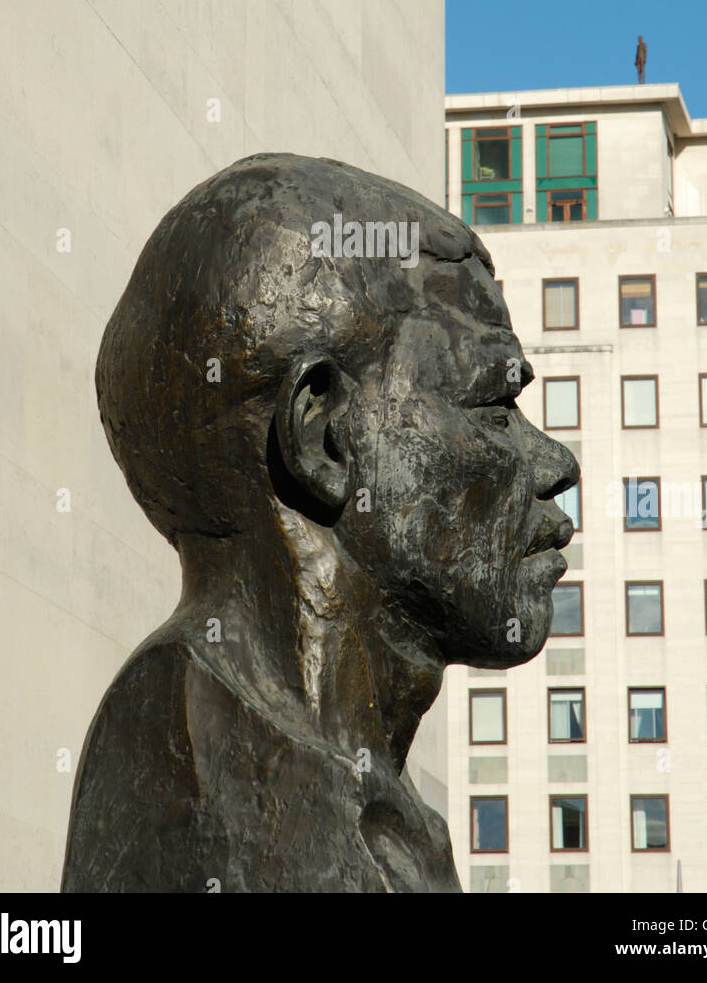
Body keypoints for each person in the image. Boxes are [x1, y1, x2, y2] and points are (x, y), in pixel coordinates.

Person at [61, 154, 579, 892]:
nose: (555, 461)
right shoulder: (189, 769)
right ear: (322, 435)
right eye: (492, 407)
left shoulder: (382, 817)